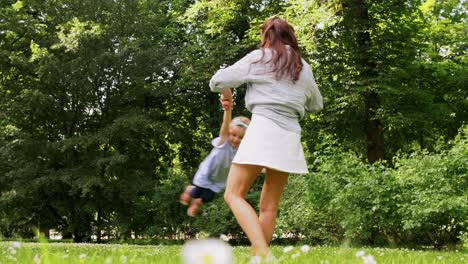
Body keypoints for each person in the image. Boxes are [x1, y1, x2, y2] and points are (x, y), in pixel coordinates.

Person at [209, 17, 323, 263]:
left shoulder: (259, 57)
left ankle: (262, 252)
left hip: (263, 128)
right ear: (290, 37)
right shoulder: (303, 66)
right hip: (290, 135)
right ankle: (258, 260)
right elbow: (316, 104)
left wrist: (226, 91)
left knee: (233, 194)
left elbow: (218, 81)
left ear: (266, 36)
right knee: (269, 206)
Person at [179, 92, 250, 217]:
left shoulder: (242, 151)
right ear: (229, 133)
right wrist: (227, 111)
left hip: (218, 180)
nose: (235, 139)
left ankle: (196, 203)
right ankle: (189, 190)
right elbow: (225, 125)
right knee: (196, 192)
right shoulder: (223, 142)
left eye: (241, 137)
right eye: (233, 135)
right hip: (207, 173)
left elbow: (249, 165)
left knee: (207, 198)